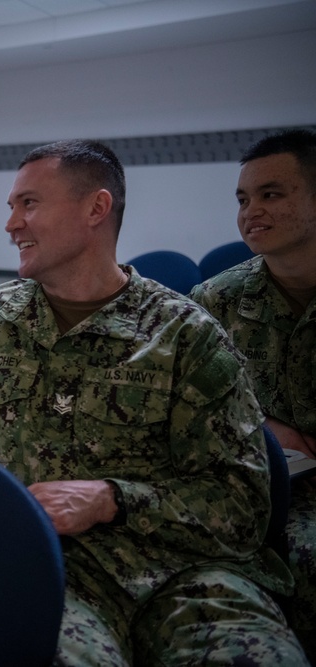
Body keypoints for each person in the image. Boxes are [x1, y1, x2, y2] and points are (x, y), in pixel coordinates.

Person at [0, 140, 306, 664]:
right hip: (44, 567)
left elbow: (243, 505)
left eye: (30, 204)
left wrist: (111, 498)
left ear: (96, 209)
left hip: (187, 574)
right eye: (12, 207)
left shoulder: (185, 333)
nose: (11, 224)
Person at [190, 128, 316, 660]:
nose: (250, 212)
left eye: (271, 194)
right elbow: (188, 415)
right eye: (243, 199)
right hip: (249, 488)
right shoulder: (215, 300)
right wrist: (262, 429)